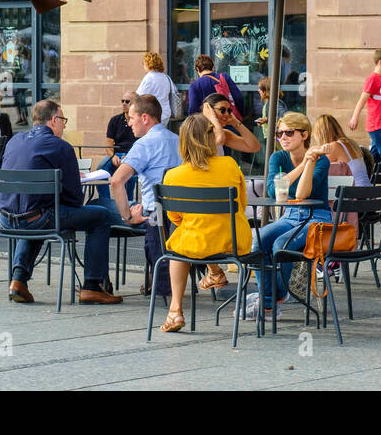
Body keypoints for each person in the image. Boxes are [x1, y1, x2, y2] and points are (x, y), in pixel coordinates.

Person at [0, 99, 123, 305]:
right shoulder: (60, 146)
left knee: (35, 212)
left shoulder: (14, 140)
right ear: (54, 120)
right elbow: (75, 200)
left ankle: (18, 280)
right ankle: (92, 286)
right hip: (36, 219)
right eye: (63, 120)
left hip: (5, 219)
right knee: (101, 216)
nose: (64, 125)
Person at [156, 114, 253, 333]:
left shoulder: (172, 176)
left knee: (178, 245)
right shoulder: (230, 164)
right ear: (211, 138)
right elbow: (242, 204)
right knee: (194, 235)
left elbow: (175, 218)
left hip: (197, 243)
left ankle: (175, 310)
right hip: (233, 241)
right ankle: (215, 272)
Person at [245, 111, 332, 320]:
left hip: (317, 217)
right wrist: (303, 165)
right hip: (290, 215)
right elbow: (273, 191)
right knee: (258, 241)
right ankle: (269, 301)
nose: (283, 137)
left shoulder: (320, 160)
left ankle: (270, 301)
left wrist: (310, 162)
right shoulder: (278, 157)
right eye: (279, 133)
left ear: (304, 135)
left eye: (289, 132)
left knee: (281, 245)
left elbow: (303, 193)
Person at [107, 94, 183, 295]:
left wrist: (128, 216)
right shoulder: (180, 140)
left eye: (131, 118)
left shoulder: (144, 144)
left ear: (145, 118)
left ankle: (98, 283)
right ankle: (159, 280)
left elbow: (116, 181)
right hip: (184, 214)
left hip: (156, 215)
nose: (129, 123)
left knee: (101, 213)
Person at [349, 48, 381, 166]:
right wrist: (355, 117)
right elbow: (362, 99)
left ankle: (366, 180)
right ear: (380, 62)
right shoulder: (373, 79)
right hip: (379, 125)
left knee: (373, 159)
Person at [312, 113, 370, 186]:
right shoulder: (350, 142)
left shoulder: (334, 146)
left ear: (320, 134)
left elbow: (317, 169)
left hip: (356, 194)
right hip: (367, 191)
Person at [136, 51, 179, 123]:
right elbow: (174, 91)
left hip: (154, 114)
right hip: (166, 113)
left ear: (148, 64)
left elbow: (139, 96)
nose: (143, 66)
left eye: (144, 64)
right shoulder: (166, 77)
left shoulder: (149, 77)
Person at [104, 92, 138, 167]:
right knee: (101, 168)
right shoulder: (115, 120)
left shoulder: (140, 120)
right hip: (116, 155)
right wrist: (113, 156)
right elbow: (108, 143)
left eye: (127, 101)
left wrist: (129, 157)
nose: (124, 103)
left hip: (134, 156)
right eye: (122, 101)